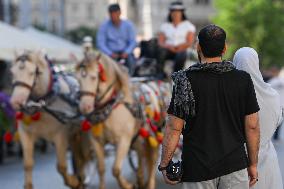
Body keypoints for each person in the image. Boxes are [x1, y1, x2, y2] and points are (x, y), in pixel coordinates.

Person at [159, 25, 260, 189]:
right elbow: (253, 125)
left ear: (198, 47)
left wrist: (164, 164)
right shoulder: (243, 79)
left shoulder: (184, 80)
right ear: (225, 48)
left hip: (197, 169)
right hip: (235, 166)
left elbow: (174, 128)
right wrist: (253, 164)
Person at [233, 47, 283, 189]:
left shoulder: (229, 94)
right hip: (266, 157)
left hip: (237, 160)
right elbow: (278, 120)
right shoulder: (272, 93)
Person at [96, 3, 137, 74]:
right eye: (111, 14)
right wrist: (110, 53)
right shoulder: (104, 26)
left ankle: (130, 79)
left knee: (131, 62)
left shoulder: (128, 25)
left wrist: (127, 52)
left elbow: (133, 42)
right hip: (110, 54)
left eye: (115, 13)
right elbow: (100, 43)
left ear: (120, 13)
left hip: (125, 54)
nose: (114, 16)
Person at [157, 1, 196, 75]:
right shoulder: (165, 26)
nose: (175, 14)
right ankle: (160, 73)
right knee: (161, 52)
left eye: (178, 12)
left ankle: (176, 74)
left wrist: (179, 47)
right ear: (170, 13)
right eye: (173, 12)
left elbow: (190, 42)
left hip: (182, 50)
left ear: (182, 13)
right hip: (168, 49)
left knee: (181, 55)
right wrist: (169, 47)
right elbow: (161, 42)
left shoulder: (188, 26)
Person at [267, 66, 284, 141]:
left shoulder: (277, 80)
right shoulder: (273, 81)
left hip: (281, 104)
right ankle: (273, 136)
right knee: (275, 121)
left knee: (279, 121)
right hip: (275, 105)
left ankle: (276, 136)